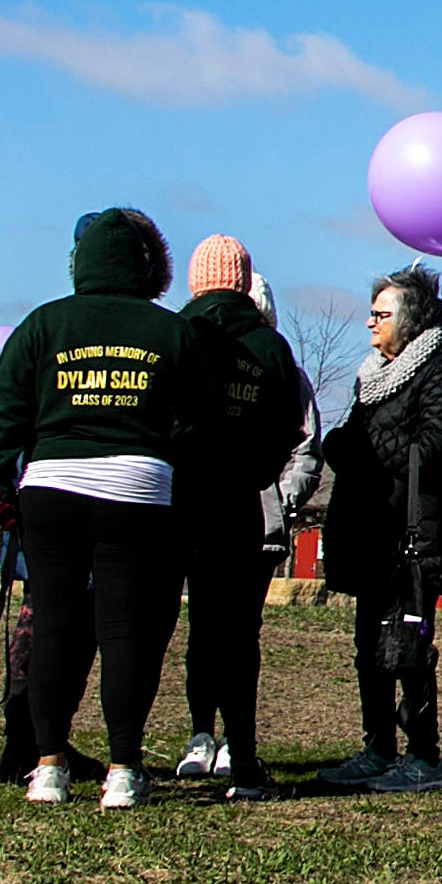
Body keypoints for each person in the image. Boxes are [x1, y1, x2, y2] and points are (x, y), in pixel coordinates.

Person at [0, 207, 204, 810]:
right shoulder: (172, 331)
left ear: (78, 264)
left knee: (54, 621)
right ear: (146, 265)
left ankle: (47, 766)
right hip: (136, 486)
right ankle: (124, 771)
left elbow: (6, 412)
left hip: (52, 482)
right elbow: (194, 421)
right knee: (124, 628)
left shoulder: (42, 325)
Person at [316, 265, 442, 794]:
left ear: (410, 321)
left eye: (381, 315)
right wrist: (348, 448)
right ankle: (378, 747)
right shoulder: (372, 375)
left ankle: (424, 757)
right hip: (371, 531)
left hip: (413, 534)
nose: (369, 324)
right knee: (369, 645)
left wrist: (359, 452)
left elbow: (438, 446)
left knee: (408, 647)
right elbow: (355, 438)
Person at [167, 242, 311, 802]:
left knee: (165, 631)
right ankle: (238, 753)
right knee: (234, 635)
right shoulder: (269, 351)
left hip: (176, 501)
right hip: (237, 504)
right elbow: (282, 434)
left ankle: (127, 762)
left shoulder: (173, 336)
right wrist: (253, 473)